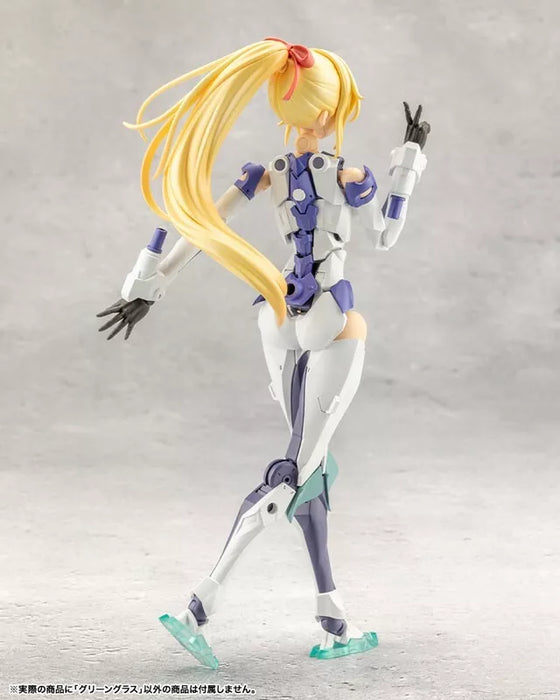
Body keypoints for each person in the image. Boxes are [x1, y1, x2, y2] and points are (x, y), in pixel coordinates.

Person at [97, 38, 430, 668]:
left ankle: (332, 618)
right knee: (293, 474)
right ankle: (199, 608)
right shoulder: (348, 174)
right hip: (330, 317)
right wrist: (409, 160)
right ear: (331, 110)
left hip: (276, 315)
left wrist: (149, 286)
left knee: (313, 474)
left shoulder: (266, 173)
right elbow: (385, 234)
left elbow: (205, 230)